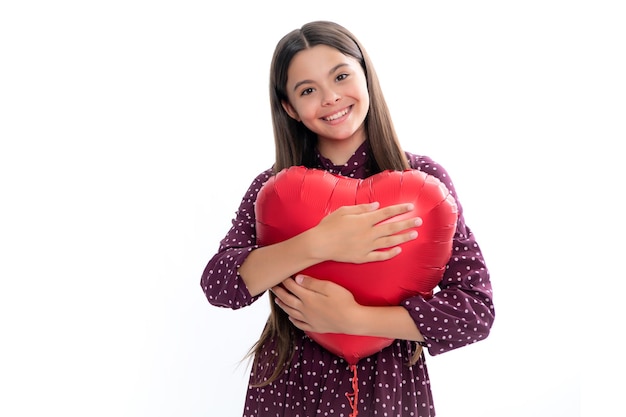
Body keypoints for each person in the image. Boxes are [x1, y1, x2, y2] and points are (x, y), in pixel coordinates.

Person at [200, 20, 495, 417]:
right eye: (308, 90)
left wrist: (353, 319)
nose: (331, 98)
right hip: (290, 385)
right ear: (289, 108)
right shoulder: (272, 189)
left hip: (388, 387)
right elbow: (220, 285)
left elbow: (474, 313)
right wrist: (319, 243)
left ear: (366, 76)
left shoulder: (424, 184)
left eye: (340, 76)